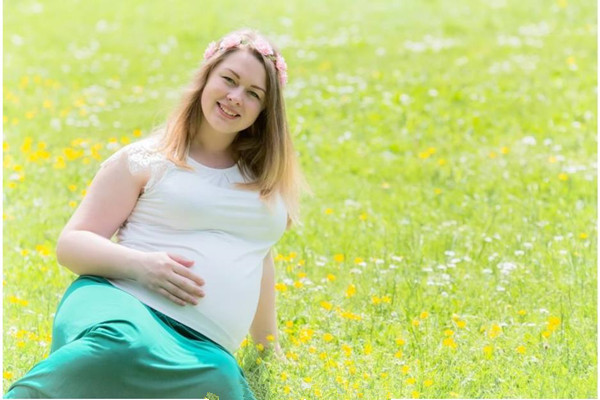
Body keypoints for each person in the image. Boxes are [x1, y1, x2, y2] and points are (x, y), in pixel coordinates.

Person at [5, 28, 310, 399]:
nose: (235, 97)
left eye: (253, 93)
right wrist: (141, 266)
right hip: (124, 303)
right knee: (123, 345)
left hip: (204, 346)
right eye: (229, 80)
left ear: (264, 110)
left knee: (222, 381)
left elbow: (258, 253)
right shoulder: (146, 159)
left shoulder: (266, 180)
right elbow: (71, 244)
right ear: (206, 78)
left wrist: (267, 348)